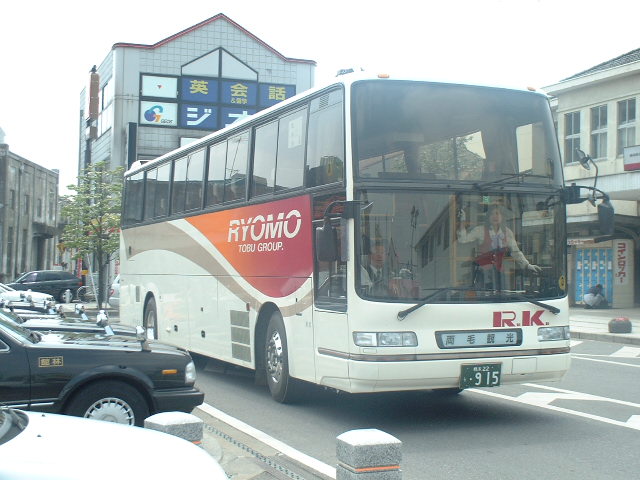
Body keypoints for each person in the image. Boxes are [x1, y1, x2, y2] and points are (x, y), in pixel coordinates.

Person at [457, 204, 542, 290]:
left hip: (501, 275)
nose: (495, 216)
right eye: (492, 214)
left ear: (502, 217)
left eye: (497, 213)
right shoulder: (480, 230)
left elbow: (516, 252)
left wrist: (527, 265)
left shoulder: (507, 232)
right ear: (488, 217)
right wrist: (462, 221)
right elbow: (463, 239)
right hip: (483, 274)